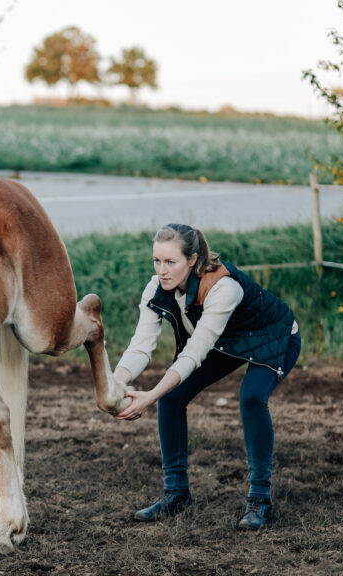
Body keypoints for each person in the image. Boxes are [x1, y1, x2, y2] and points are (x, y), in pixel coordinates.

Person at [112, 224, 301, 530]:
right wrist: (115, 383)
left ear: (192, 259)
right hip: (222, 340)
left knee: (252, 398)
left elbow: (193, 353)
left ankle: (259, 499)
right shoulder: (157, 287)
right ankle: (176, 494)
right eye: (156, 261)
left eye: (170, 262)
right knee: (172, 398)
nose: (162, 270)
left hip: (272, 336)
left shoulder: (224, 288)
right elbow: (140, 346)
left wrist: (150, 396)